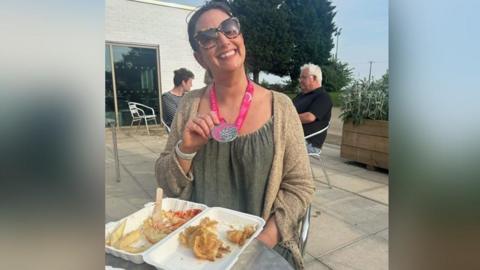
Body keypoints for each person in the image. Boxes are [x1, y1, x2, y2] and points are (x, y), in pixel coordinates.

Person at [155, 1, 314, 269]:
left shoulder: (281, 107)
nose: (222, 39)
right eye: (207, 37)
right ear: (199, 57)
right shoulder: (189, 105)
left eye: (229, 28)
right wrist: (186, 149)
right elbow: (166, 184)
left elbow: (300, 186)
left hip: (263, 247)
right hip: (197, 250)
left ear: (240, 36)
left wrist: (262, 242)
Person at [293, 63, 333, 153]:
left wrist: (285, 117)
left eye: (303, 77)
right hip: (292, 137)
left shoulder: (323, 97)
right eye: (300, 77)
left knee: (268, 143)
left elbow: (309, 117)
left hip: (307, 142)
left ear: (314, 78)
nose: (300, 80)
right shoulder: (301, 96)